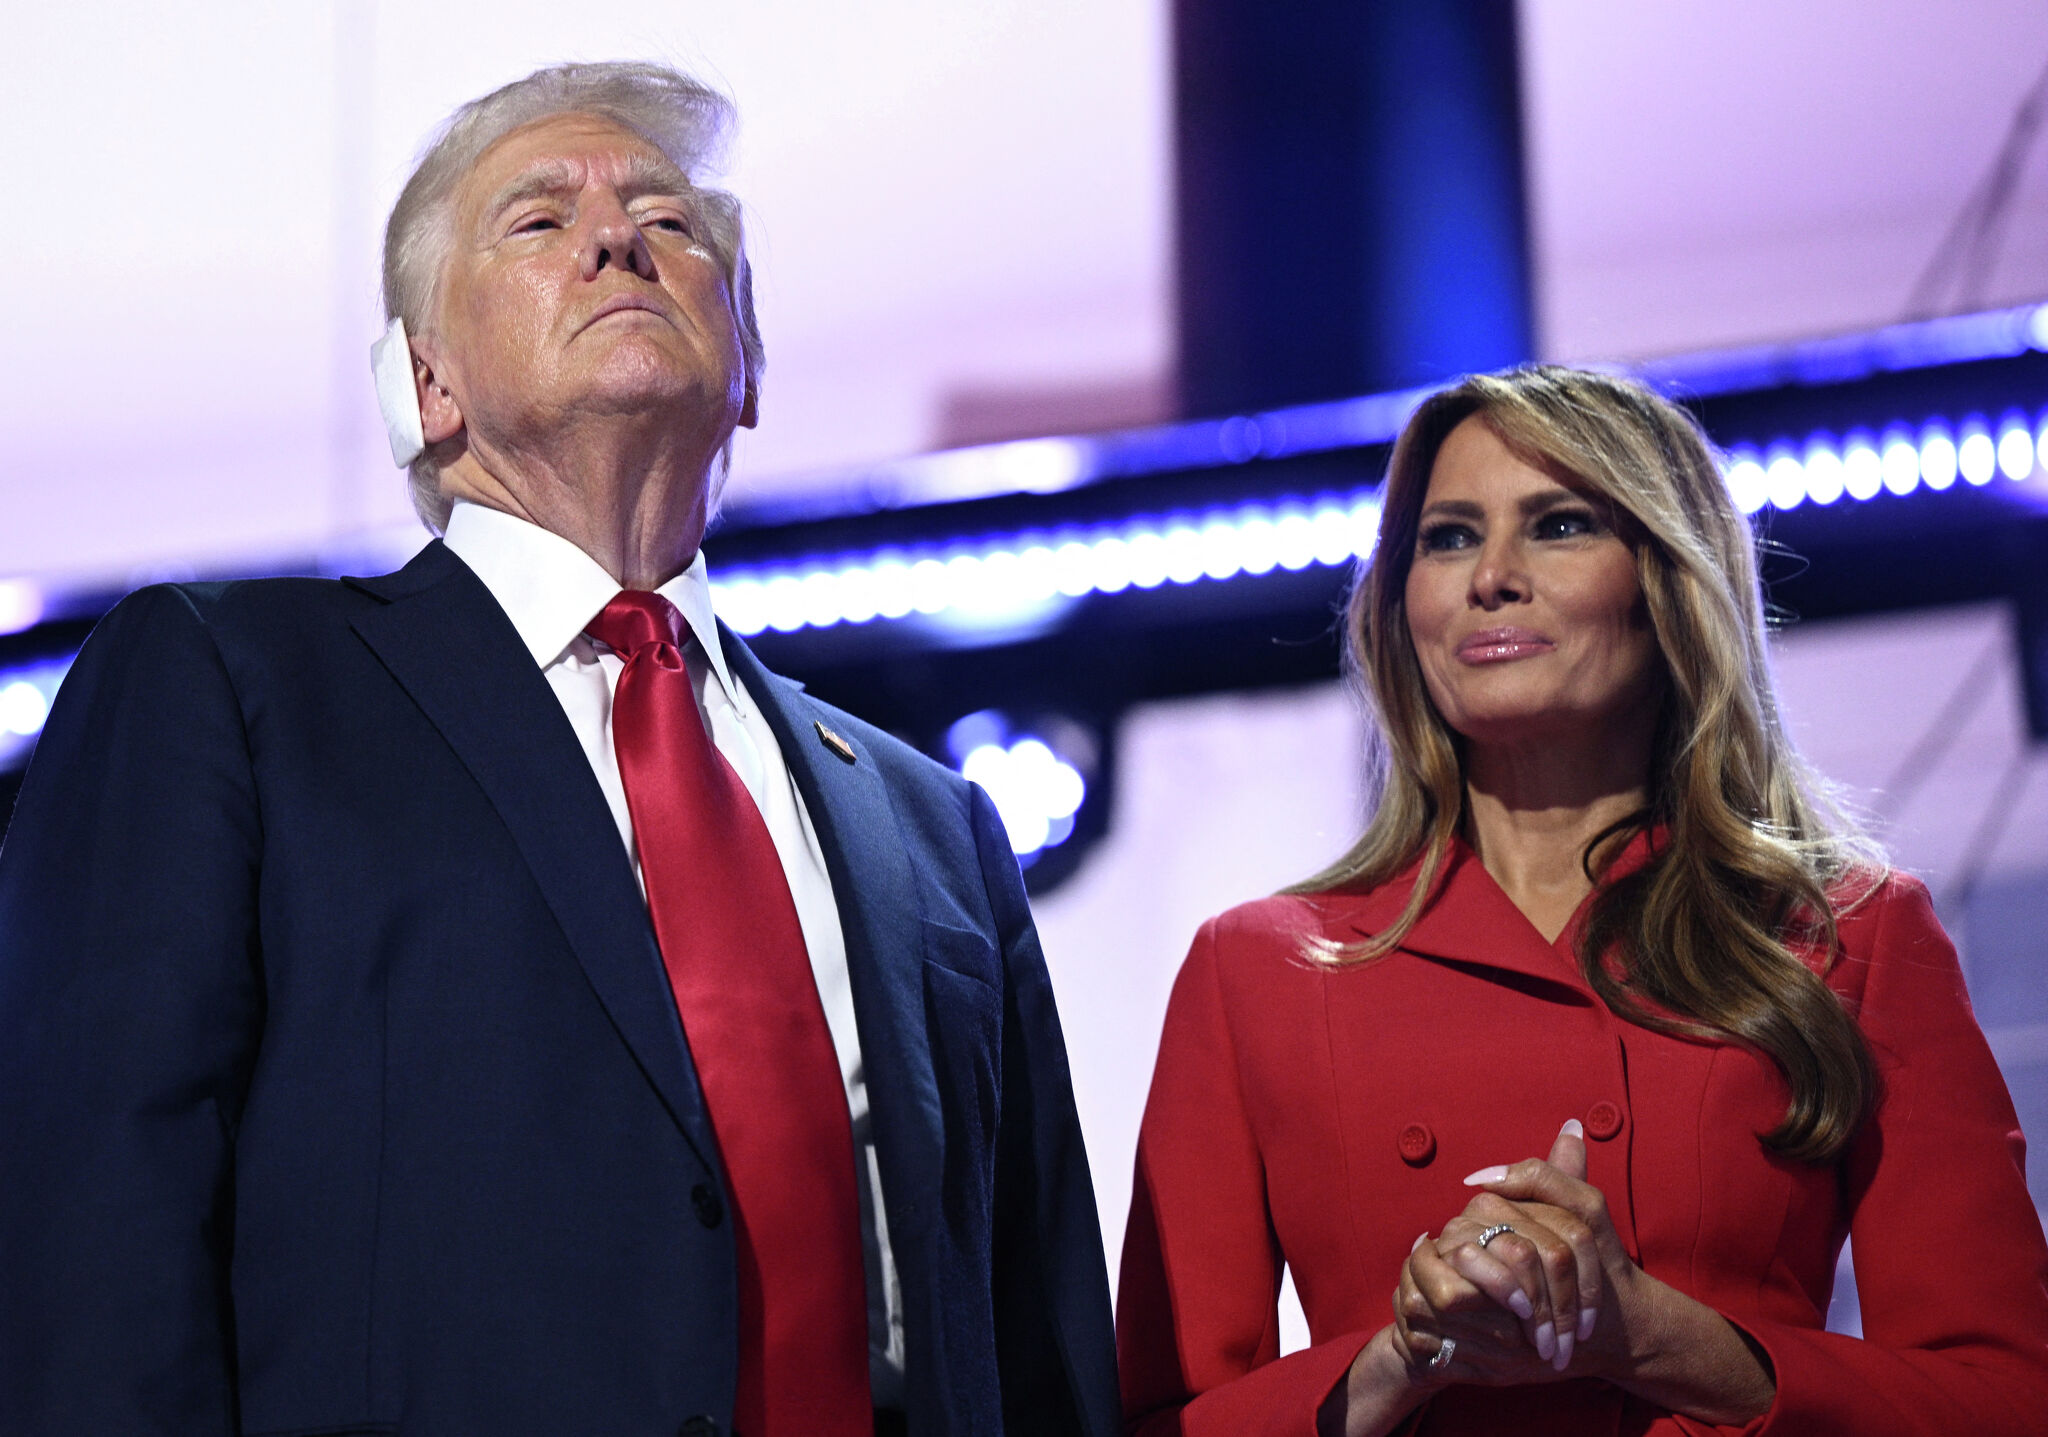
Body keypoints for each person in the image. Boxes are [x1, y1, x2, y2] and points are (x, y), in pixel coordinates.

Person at [0, 61, 1118, 1437]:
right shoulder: (228, 686)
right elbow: (95, 1246)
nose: (616, 237)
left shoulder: (935, 824)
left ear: (749, 365)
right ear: (428, 380)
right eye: (538, 222)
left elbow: (1040, 1345)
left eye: (671, 220)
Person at [1115, 365, 2048, 1435]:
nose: (1490, 578)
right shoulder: (1257, 969)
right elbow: (1158, 1417)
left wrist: (1647, 1334)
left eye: (1556, 526)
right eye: (1448, 537)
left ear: (1667, 584)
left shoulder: (1851, 934)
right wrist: (1393, 1362)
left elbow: (2002, 1399)